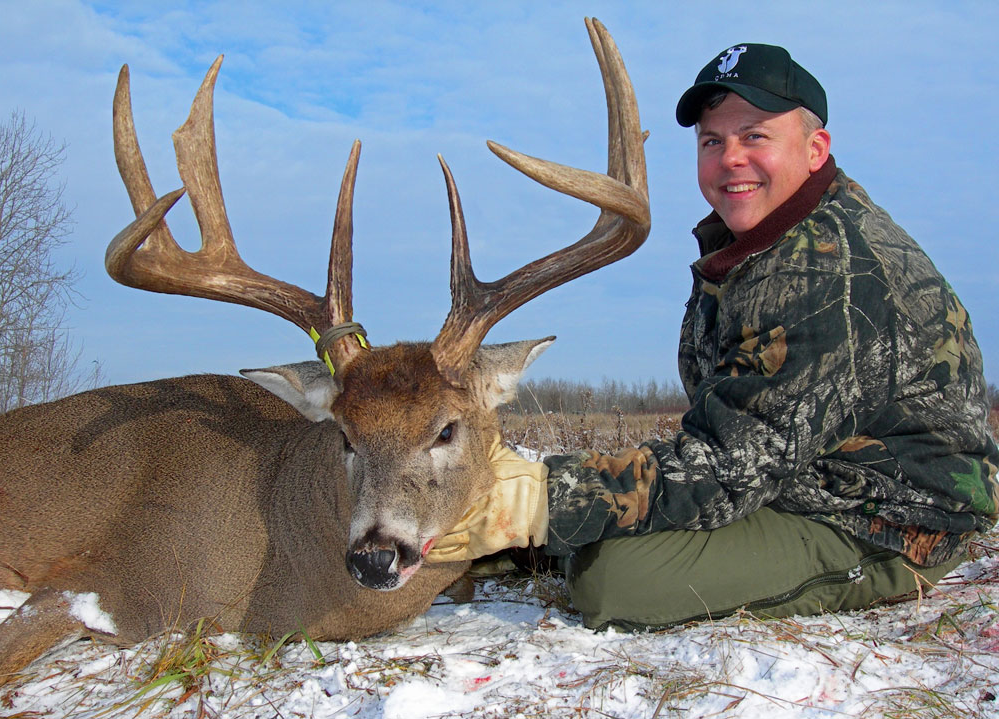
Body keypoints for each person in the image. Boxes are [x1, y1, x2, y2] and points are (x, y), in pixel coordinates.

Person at [426, 43, 999, 631]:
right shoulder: (755, 246)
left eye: (755, 137)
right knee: (602, 530)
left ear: (814, 148)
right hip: (794, 480)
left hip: (889, 522)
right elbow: (732, 428)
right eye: (712, 142)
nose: (731, 159)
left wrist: (542, 500)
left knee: (613, 579)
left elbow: (728, 464)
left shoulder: (826, 272)